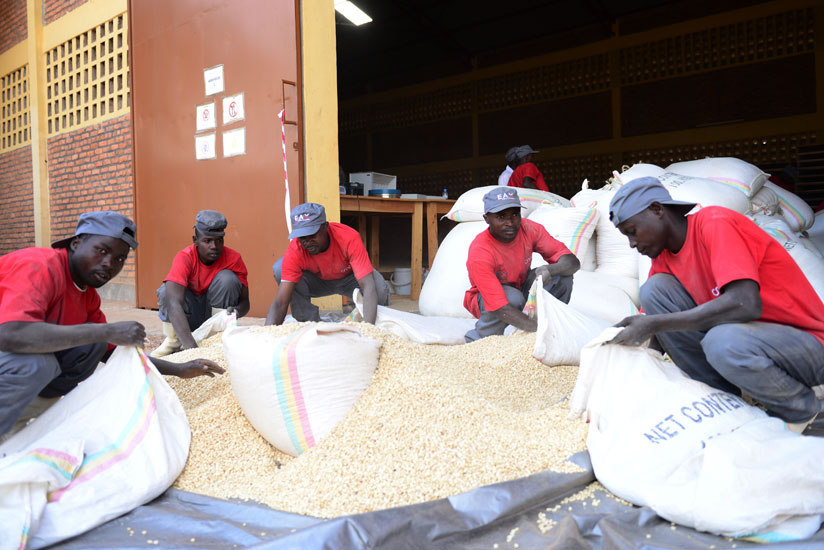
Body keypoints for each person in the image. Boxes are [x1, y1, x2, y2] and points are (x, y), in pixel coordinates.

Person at [607, 177, 824, 432]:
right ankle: (727, 403)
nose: (632, 244)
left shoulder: (714, 223)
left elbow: (745, 304)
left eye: (632, 231)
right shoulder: (665, 257)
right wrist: (645, 363)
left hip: (807, 346)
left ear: (657, 210)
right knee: (653, 291)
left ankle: (806, 412)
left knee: (721, 341)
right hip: (751, 347)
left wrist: (653, 323)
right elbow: (661, 328)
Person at [0, 211, 224, 439]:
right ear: (77, 244)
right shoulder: (40, 266)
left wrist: (180, 370)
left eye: (119, 258)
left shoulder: (86, 296)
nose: (109, 264)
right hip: (9, 349)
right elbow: (10, 333)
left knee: (92, 347)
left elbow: (112, 352)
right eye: (101, 251)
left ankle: (21, 425)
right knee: (38, 364)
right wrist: (106, 331)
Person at [464, 188, 580, 342]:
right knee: (512, 298)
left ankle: (546, 335)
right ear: (486, 219)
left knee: (561, 278)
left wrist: (549, 269)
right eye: (501, 216)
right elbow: (500, 306)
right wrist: (537, 328)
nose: (510, 222)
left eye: (515, 214)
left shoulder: (529, 228)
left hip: (521, 287)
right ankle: (479, 338)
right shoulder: (480, 250)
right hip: (487, 298)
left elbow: (572, 262)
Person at [266, 203, 390, 326]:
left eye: (312, 235)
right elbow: (281, 301)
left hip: (350, 278)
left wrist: (369, 329)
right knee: (280, 269)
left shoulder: (348, 237)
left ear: (326, 227)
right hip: (318, 281)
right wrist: (267, 334)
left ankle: (364, 318)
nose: (307, 242)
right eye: (302, 237)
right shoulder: (296, 249)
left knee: (379, 290)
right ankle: (309, 322)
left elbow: (367, 286)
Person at [153, 210, 250, 356]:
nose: (214, 246)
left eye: (219, 240)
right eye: (207, 241)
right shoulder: (185, 258)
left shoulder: (233, 259)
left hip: (214, 320)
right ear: (195, 240)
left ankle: (215, 338)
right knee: (167, 290)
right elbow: (173, 303)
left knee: (228, 279)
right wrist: (193, 351)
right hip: (187, 319)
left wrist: (236, 311)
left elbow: (245, 303)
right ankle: (175, 341)